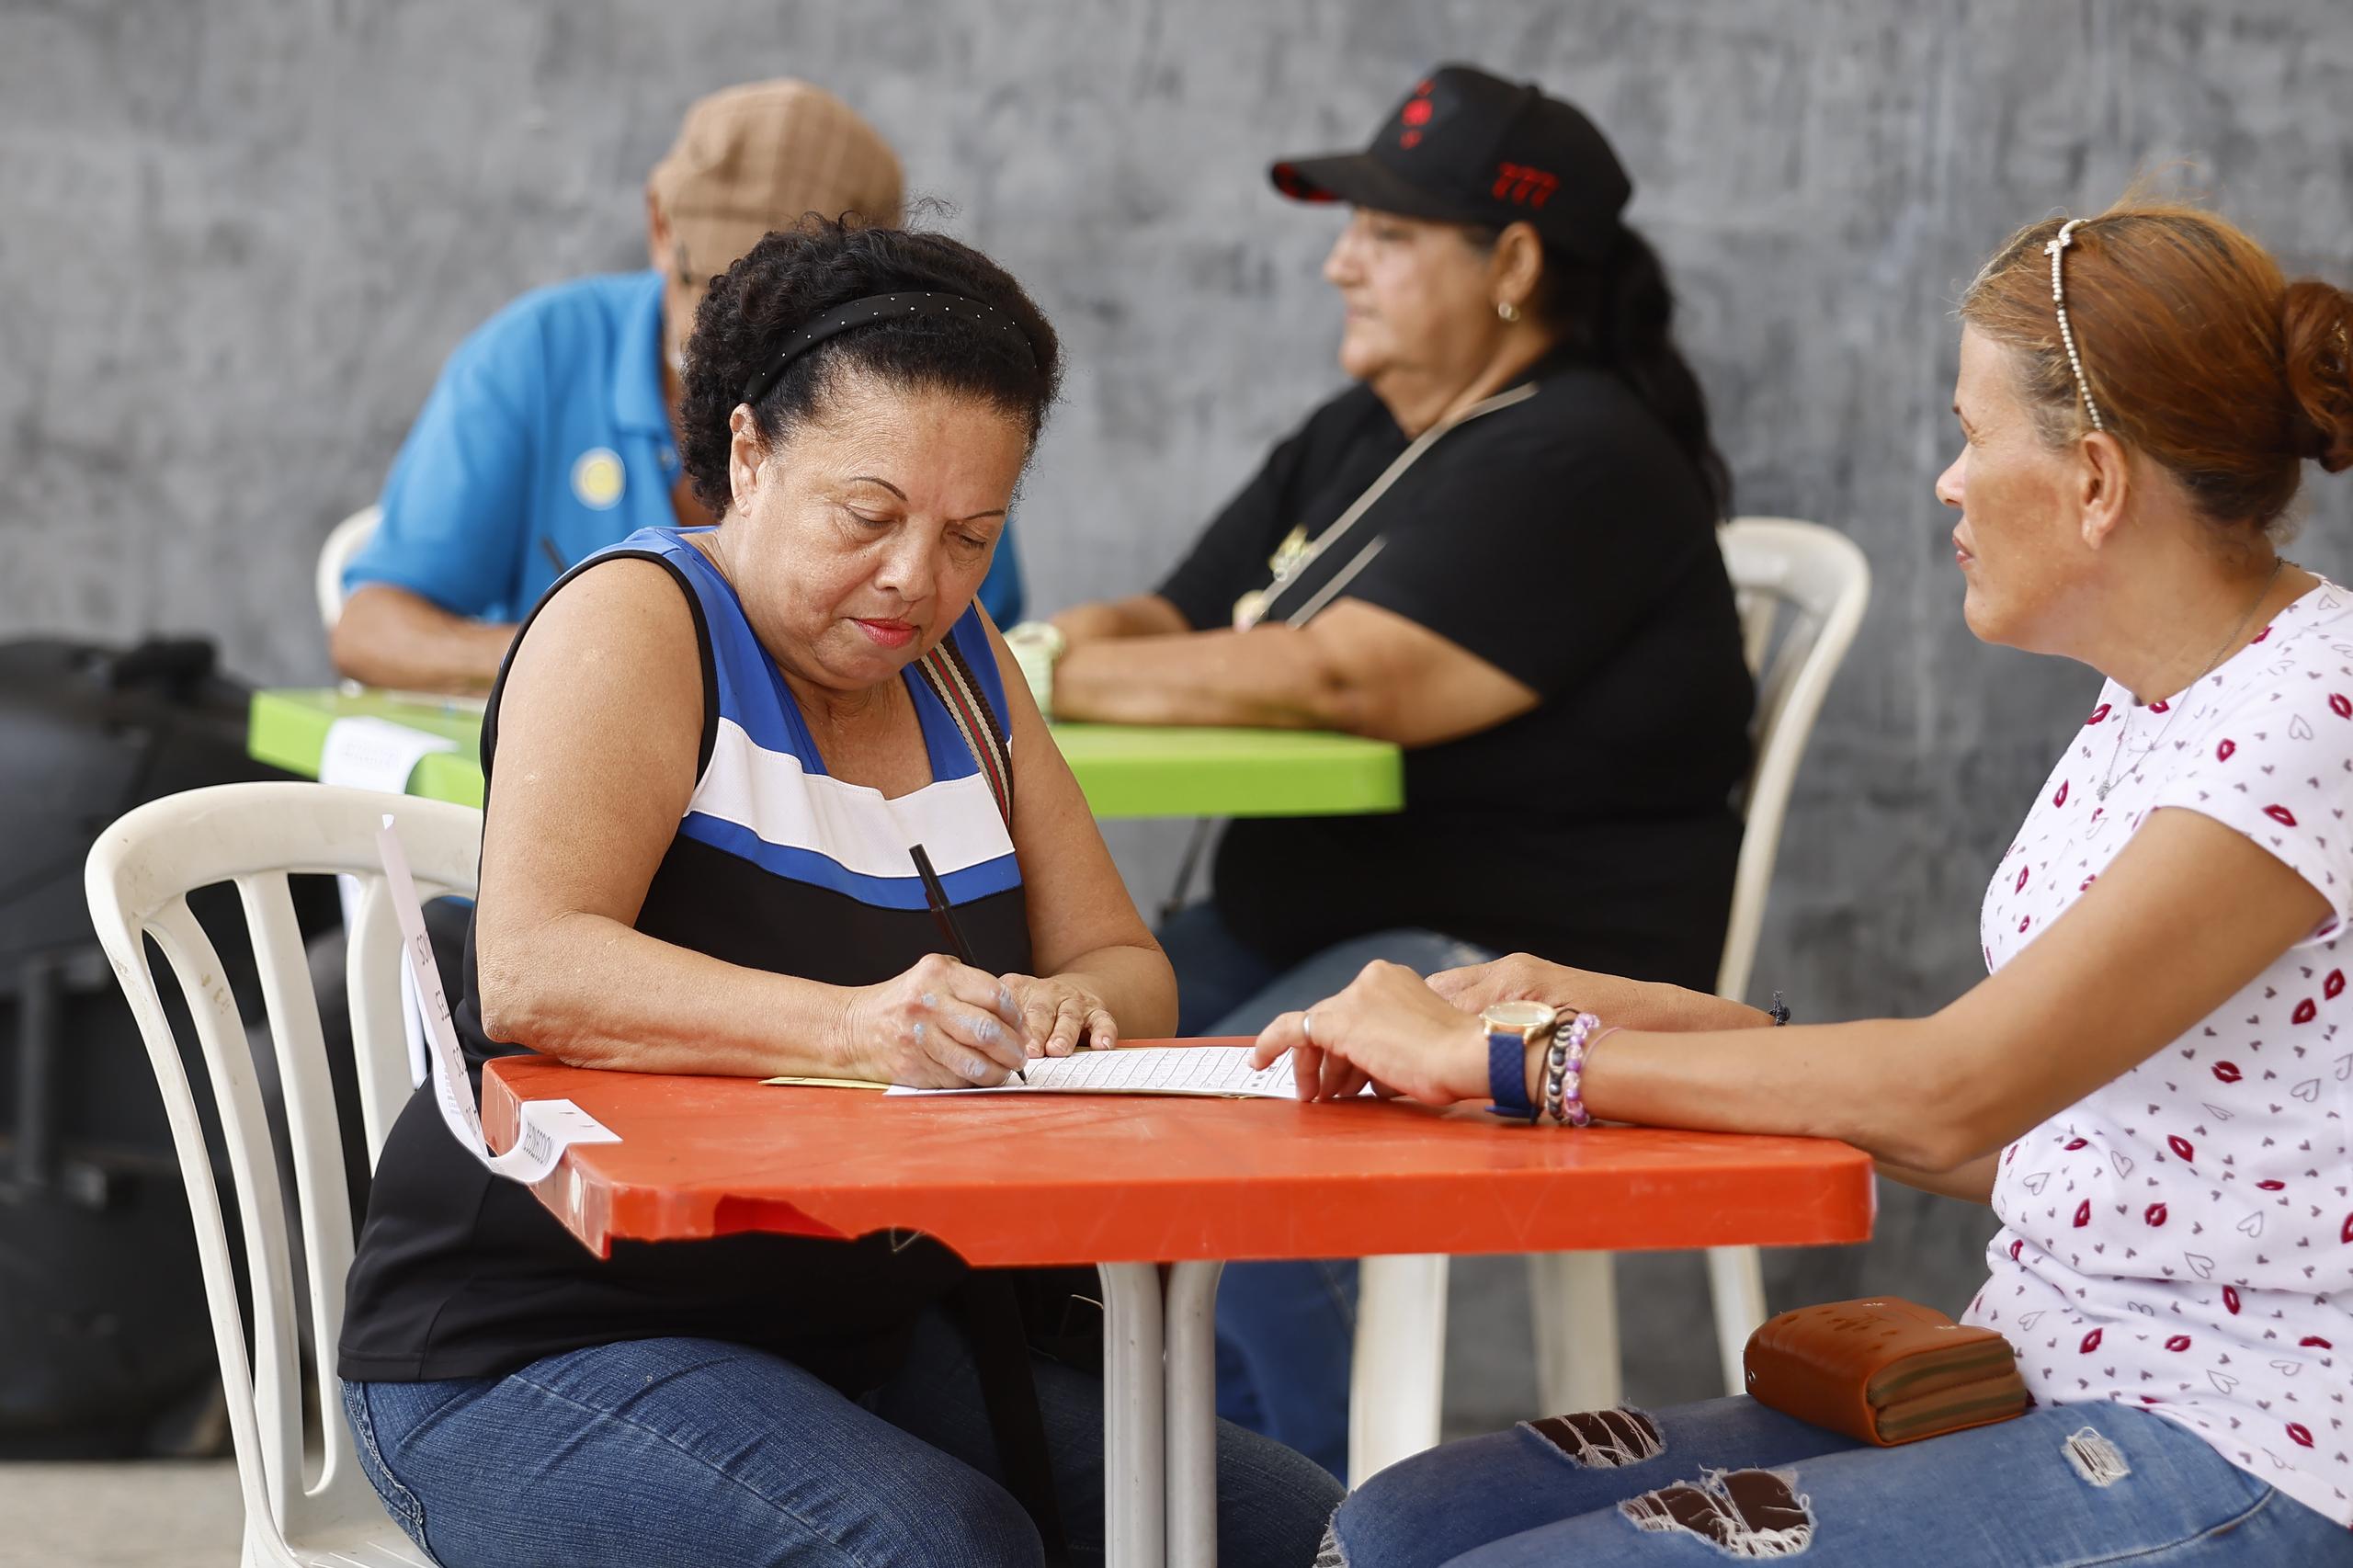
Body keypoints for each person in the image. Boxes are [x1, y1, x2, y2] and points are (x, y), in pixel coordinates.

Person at [1254, 197, 2353, 1564]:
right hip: (2050, 1369)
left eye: (1970, 432)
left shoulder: (2307, 721)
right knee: (1407, 1521)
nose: (1947, 481)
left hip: (2247, 1444)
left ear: (2094, 477)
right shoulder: (2154, 703)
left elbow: (1958, 1083)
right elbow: (2020, 1133)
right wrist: (1649, 1014)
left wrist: (1524, 1058)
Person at [334, 220, 1337, 1568]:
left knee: (1317, 1534)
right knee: (936, 1550)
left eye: (971, 536)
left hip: (849, 1331)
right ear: (748, 457)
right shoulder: (639, 622)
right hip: (533, 1338)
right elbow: (534, 971)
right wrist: (863, 1029)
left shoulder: (965, 665)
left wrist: (1067, 1005)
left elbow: (1122, 956)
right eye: (867, 517)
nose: (917, 580)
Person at [1006, 64, 1754, 1478]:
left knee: (1249, 1159)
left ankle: (1295, 1515)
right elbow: (1168, 614)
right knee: (1032, 1069)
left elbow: (1355, 676)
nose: (1342, 260)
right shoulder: (1360, 433)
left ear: (1516, 261)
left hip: (1524, 957)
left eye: (1392, 233)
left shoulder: (1585, 452)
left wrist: (1018, 671)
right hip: (1308, 921)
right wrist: (1062, 641)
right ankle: (1114, 1489)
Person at [331, 78, 1026, 695]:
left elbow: (974, 669)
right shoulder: (540, 355)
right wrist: (607, 654)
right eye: (709, 286)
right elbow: (373, 627)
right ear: (660, 228)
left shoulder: (927, 426)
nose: (735, 336)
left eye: (796, 320)